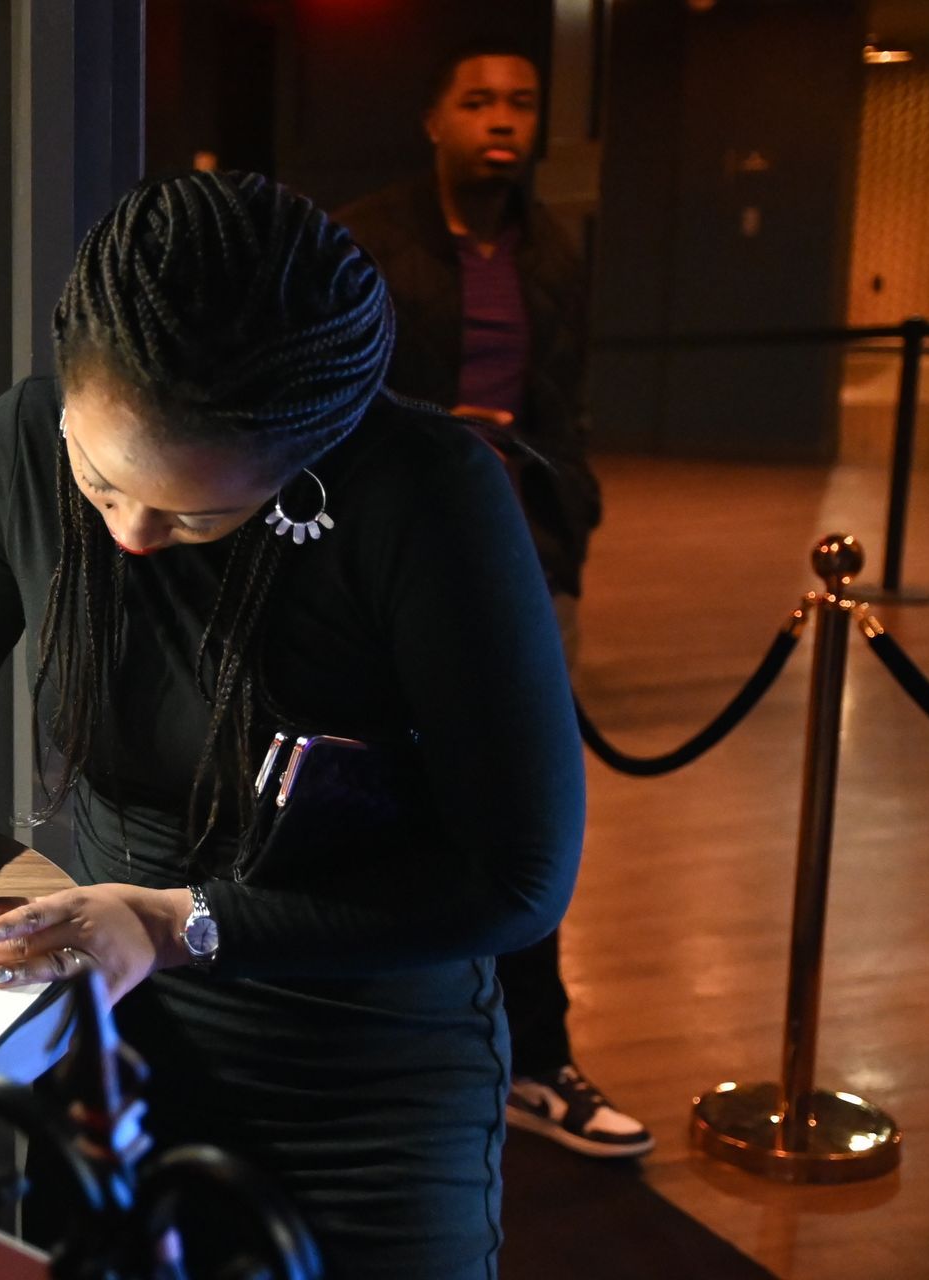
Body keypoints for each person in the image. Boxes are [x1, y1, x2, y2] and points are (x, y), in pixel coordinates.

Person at [0, 170, 583, 1279]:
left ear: (303, 453)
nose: (132, 535)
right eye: (100, 482)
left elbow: (520, 880)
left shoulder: (426, 500)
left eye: (197, 514)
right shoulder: (18, 445)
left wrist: (181, 921)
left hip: (362, 1081)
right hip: (106, 1054)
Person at [336, 45, 652, 1160]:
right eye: (478, 101)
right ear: (436, 120)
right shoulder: (367, 237)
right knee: (385, 807)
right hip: (394, 564)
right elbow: (335, 396)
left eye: (521, 102)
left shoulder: (554, 245)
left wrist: (568, 532)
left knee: (524, 816)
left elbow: (566, 406)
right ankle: (391, 1058)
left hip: (526, 562)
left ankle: (536, 1056)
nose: (503, 119)